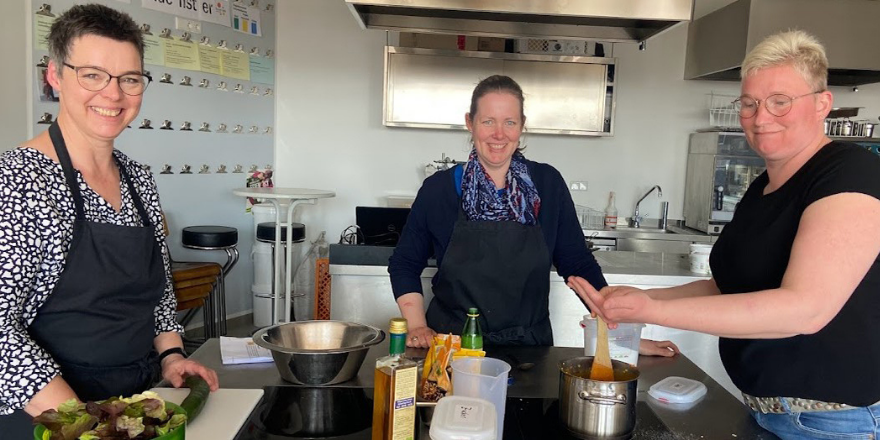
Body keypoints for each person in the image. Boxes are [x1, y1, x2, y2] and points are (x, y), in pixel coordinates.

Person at [570, 30, 880, 439]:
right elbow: (727, 288)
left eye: (780, 101)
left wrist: (651, 312)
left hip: (831, 421)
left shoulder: (851, 173)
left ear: (823, 104)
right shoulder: (762, 188)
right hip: (766, 411)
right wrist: (634, 299)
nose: (761, 117)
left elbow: (804, 310)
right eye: (749, 103)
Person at [0, 4, 219, 436]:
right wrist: (85, 424)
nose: (113, 95)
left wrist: (171, 357)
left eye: (130, 79)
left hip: (132, 404)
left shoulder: (138, 179)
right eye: (92, 75)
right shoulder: (18, 179)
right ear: (55, 75)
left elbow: (155, 291)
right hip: (48, 420)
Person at [389, 74, 679, 356]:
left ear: (522, 126)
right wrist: (417, 326)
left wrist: (622, 335)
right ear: (470, 123)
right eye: (488, 121)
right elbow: (404, 262)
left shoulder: (547, 185)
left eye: (509, 122)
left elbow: (577, 264)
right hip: (453, 347)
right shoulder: (438, 190)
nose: (499, 134)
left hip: (529, 350)